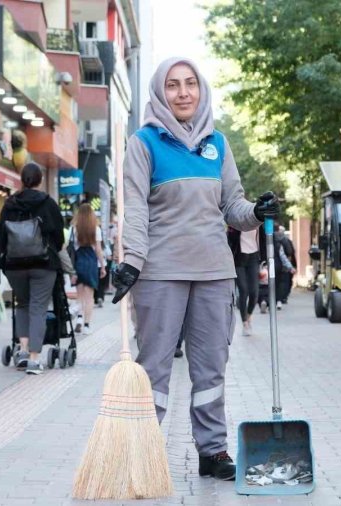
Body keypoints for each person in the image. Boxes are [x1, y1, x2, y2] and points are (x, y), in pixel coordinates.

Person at [111, 57, 280, 481]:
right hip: (160, 273)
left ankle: (213, 451)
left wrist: (257, 212)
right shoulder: (144, 143)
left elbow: (233, 207)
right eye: (173, 85)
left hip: (214, 273)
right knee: (155, 369)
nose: (183, 92)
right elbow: (135, 210)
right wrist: (132, 261)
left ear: (201, 90)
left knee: (211, 368)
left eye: (190, 84)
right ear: (160, 92)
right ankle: (143, 453)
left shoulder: (218, 144)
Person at [0, 162, 65, 375]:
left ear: (21, 179)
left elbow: (0, 237)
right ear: (40, 180)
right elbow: (59, 238)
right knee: (38, 307)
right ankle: (35, 359)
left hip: (15, 265)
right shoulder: (48, 204)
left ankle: (23, 351)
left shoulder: (9, 204)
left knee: (23, 305)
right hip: (43, 264)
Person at [71, 204, 105, 335]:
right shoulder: (96, 229)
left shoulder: (74, 229)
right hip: (90, 262)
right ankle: (86, 325)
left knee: (79, 295)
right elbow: (98, 250)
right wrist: (102, 266)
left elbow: (72, 248)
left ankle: (79, 318)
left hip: (78, 261)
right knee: (89, 297)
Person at [227, 226, 261, 336]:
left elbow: (265, 241)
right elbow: (229, 241)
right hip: (238, 260)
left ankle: (249, 315)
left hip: (254, 258)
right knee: (243, 291)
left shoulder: (259, 222)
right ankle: (245, 323)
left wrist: (265, 260)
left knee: (254, 292)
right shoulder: (237, 223)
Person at [277, 226, 297, 304]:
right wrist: (292, 266)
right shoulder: (287, 241)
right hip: (285, 265)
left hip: (279, 264)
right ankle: (283, 297)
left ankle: (279, 298)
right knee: (285, 282)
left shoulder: (273, 240)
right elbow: (290, 252)